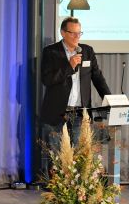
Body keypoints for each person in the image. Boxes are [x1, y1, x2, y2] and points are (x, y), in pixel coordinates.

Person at [40, 16, 111, 149]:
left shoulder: (87, 51)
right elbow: (47, 80)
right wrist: (69, 66)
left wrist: (110, 99)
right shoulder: (51, 52)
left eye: (79, 33)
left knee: (79, 157)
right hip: (57, 113)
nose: (77, 37)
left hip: (80, 113)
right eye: (73, 33)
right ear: (62, 33)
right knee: (56, 158)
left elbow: (98, 78)